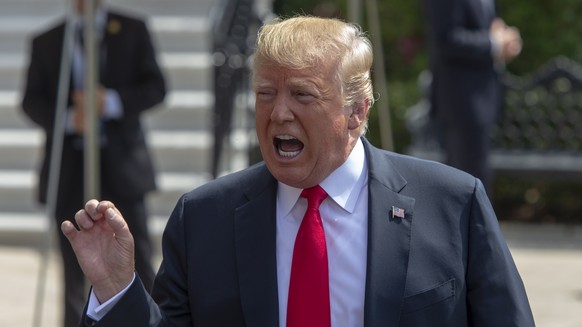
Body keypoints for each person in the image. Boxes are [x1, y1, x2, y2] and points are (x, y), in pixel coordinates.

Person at [61, 15, 534, 326]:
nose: (279, 113)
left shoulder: (451, 203)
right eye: (266, 93)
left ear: (356, 111)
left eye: (302, 95)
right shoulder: (203, 218)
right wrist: (117, 288)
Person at [21, 0, 166, 326]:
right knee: (75, 267)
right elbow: (31, 101)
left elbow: (156, 87)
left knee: (138, 257)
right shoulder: (48, 40)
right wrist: (72, 119)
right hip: (70, 168)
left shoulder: (131, 29)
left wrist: (109, 102)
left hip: (122, 166)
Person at [421, 0, 522, 196]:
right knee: (468, 180)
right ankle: (474, 227)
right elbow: (446, 38)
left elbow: (487, 25)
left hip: (486, 98)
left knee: (476, 178)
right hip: (462, 101)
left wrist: (504, 38)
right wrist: (494, 44)